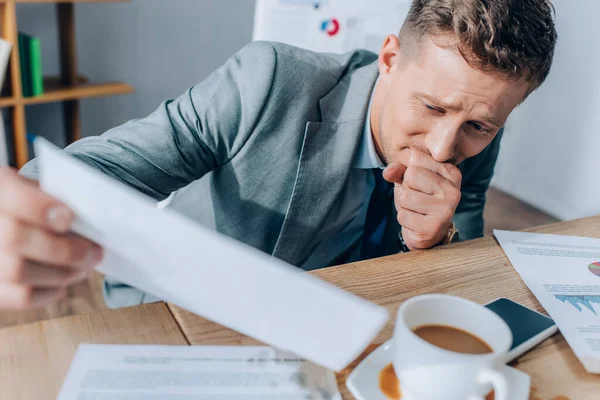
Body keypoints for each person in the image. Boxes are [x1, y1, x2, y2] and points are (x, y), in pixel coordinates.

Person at [0, 0, 557, 309]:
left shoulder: (477, 132)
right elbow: (106, 168)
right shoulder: (271, 81)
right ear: (389, 58)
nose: (444, 147)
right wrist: (24, 208)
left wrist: (434, 242)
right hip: (196, 307)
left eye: (479, 125)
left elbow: (460, 271)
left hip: (343, 321)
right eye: (432, 106)